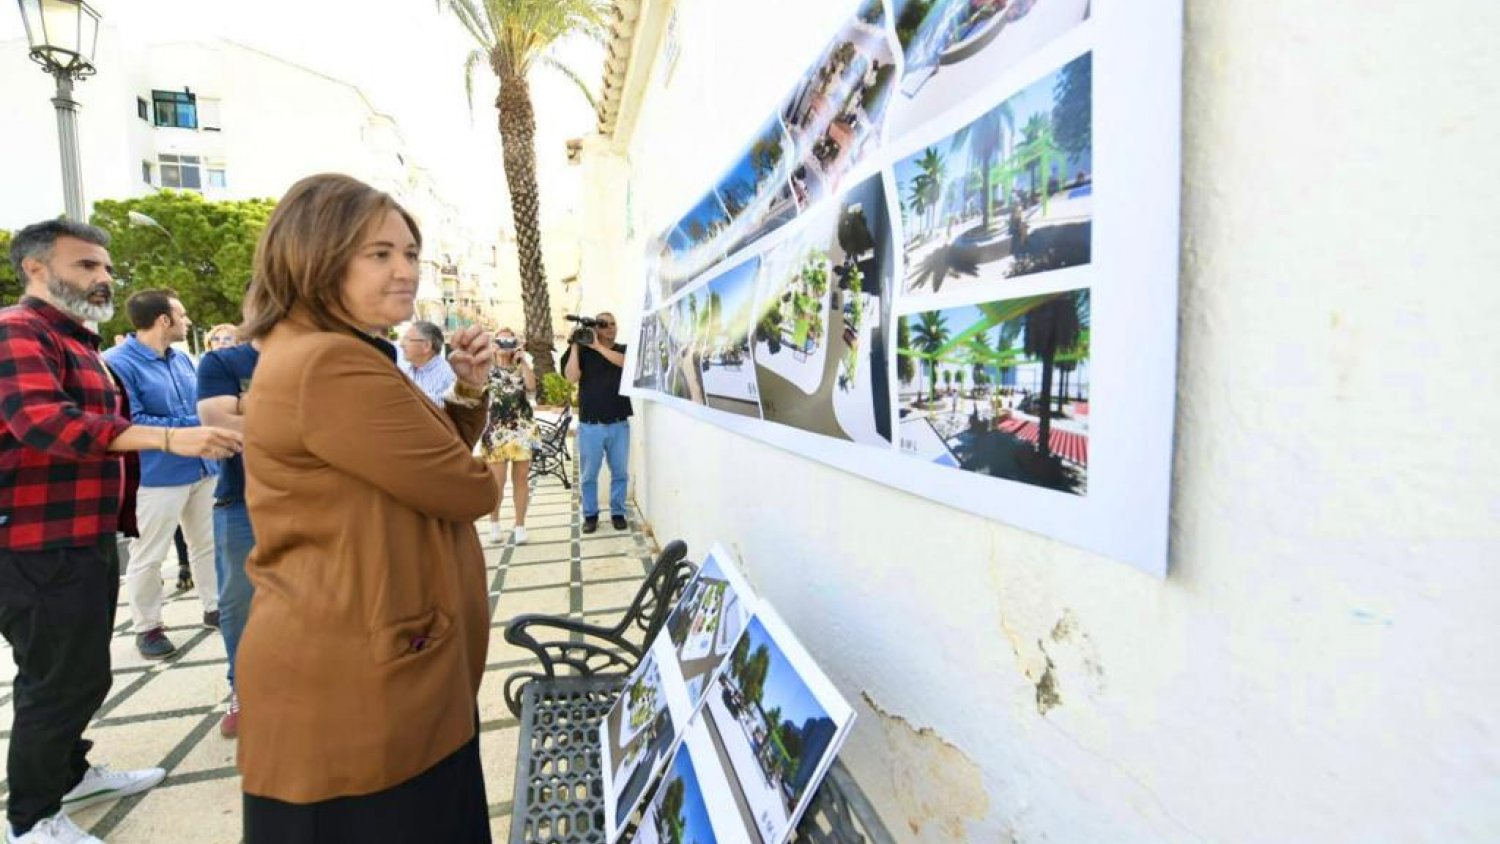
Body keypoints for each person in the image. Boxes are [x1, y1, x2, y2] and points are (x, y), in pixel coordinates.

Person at [235, 173, 498, 843]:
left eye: (410, 253)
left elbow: (414, 461)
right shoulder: (329, 362)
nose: (405, 271)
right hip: (357, 685)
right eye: (379, 254)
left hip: (366, 665)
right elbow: (465, 488)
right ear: (315, 255)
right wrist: (488, 465)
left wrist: (468, 392)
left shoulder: (333, 351)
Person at [0, 219, 241, 844]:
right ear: (35, 268)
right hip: (32, 542)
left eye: (106, 267)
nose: (104, 278)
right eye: (86, 267)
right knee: (52, 680)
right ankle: (30, 820)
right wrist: (168, 435)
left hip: (84, 534)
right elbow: (42, 422)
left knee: (83, 672)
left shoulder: (77, 339)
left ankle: (72, 775)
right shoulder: (16, 331)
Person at [103, 291, 220, 659]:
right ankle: (148, 626)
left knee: (208, 543)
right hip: (154, 475)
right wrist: (196, 425)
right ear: (164, 320)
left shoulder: (184, 359)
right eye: (181, 315)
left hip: (202, 467)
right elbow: (129, 421)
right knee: (149, 554)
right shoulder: (116, 364)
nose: (187, 322)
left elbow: (202, 402)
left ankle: (215, 607)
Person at [195, 329, 260, 738]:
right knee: (240, 604)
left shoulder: (325, 354)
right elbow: (219, 424)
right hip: (241, 501)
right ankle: (244, 691)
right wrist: (298, 415)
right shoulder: (223, 363)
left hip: (321, 501)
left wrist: (250, 407)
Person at [561, 312, 632, 533]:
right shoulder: (581, 352)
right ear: (595, 329)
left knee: (620, 472)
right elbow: (571, 377)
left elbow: (626, 364)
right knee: (589, 475)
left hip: (619, 424)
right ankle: (590, 515)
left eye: (613, 323)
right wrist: (574, 345)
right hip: (590, 426)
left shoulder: (622, 350)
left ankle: (618, 512)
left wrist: (599, 348)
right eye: (604, 325)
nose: (610, 328)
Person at [480, 328, 538, 545]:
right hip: (496, 431)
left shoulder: (520, 365)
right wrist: (488, 355)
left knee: (521, 479)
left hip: (521, 429)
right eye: (500, 340)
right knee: (497, 481)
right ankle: (494, 523)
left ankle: (520, 524)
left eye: (509, 340)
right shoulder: (487, 367)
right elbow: (474, 388)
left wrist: (523, 361)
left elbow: (532, 389)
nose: (505, 344)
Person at [398, 319, 456, 405]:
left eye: (407, 339)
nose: (401, 344)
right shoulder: (406, 370)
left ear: (427, 346)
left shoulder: (449, 375)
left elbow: (451, 409)